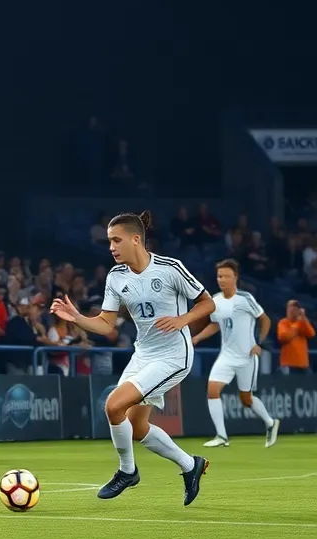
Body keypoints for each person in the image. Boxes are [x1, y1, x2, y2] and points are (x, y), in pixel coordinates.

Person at [50, 211, 212, 505]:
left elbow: (207, 302)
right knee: (137, 428)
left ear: (136, 239)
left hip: (174, 355)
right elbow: (105, 324)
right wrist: (76, 317)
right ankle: (191, 465)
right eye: (109, 241)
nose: (111, 247)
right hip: (144, 354)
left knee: (114, 405)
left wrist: (183, 320)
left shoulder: (170, 268)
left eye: (116, 240)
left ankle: (128, 472)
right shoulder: (116, 276)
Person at [191, 259, 280, 448]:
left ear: (235, 278)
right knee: (212, 390)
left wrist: (259, 343)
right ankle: (221, 436)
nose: (221, 279)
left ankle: (271, 423)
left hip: (247, 356)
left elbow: (265, 320)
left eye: (226, 276)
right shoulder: (215, 300)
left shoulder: (245, 298)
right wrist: (197, 338)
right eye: (219, 276)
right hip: (226, 356)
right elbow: (216, 325)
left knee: (246, 399)